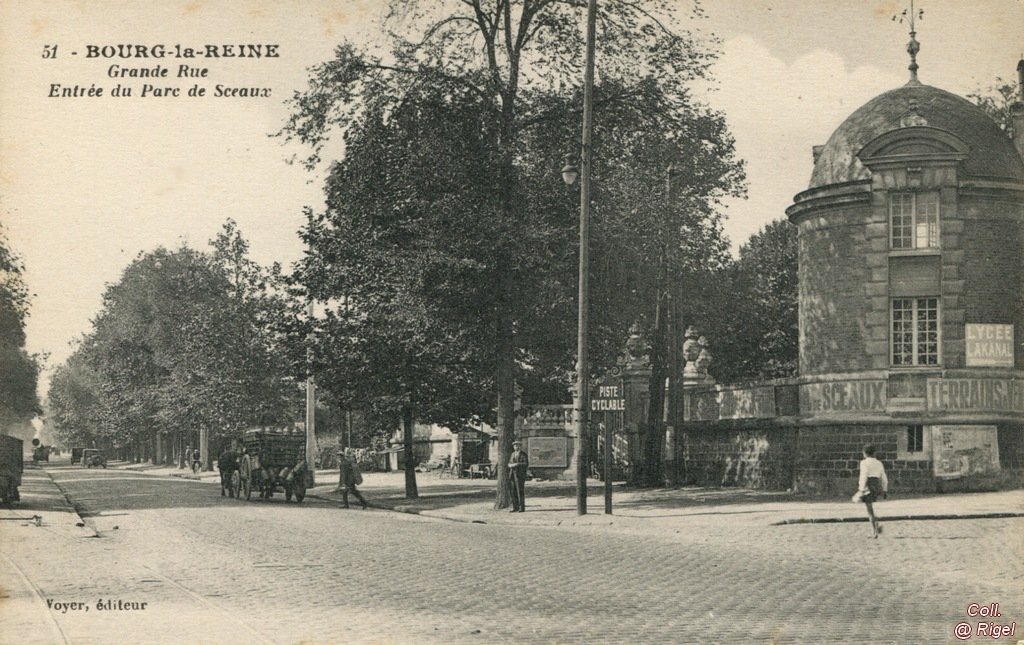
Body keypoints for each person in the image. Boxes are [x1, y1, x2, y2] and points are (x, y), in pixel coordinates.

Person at [853, 444, 888, 538]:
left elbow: (863, 476)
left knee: (869, 510)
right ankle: (876, 526)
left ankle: (875, 531)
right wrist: (885, 490)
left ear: (865, 453)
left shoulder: (864, 463)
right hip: (875, 486)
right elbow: (884, 477)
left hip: (868, 486)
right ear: (874, 453)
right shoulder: (879, 463)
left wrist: (861, 489)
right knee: (870, 509)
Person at [507, 439, 529, 512]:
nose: (516, 447)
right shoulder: (512, 454)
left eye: (517, 446)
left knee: (520, 491)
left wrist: (517, 464)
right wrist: (509, 465)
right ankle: (515, 507)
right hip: (512, 475)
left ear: (520, 446)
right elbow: (510, 462)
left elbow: (525, 464)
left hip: (520, 475)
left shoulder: (523, 454)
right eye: (515, 446)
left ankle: (521, 508)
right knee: (513, 492)